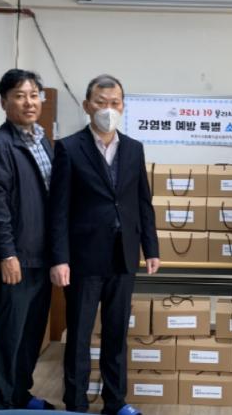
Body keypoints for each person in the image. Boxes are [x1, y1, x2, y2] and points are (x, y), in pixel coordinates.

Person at [49, 74, 160, 415]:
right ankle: (76, 404)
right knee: (79, 336)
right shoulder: (69, 148)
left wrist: (151, 248)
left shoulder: (134, 148)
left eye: (114, 103)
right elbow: (58, 209)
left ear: (123, 106)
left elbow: (142, 201)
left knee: (116, 335)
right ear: (87, 106)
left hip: (123, 256)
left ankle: (115, 402)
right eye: (101, 102)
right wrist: (59, 258)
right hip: (83, 259)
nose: (108, 109)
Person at [0, 69, 54, 410]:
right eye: (20, 96)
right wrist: (8, 254)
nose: (29, 102)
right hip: (16, 260)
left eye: (34, 95)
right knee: (10, 336)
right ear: (4, 102)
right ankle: (0, 405)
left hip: (42, 256)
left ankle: (20, 395)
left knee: (31, 334)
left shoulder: (42, 140)